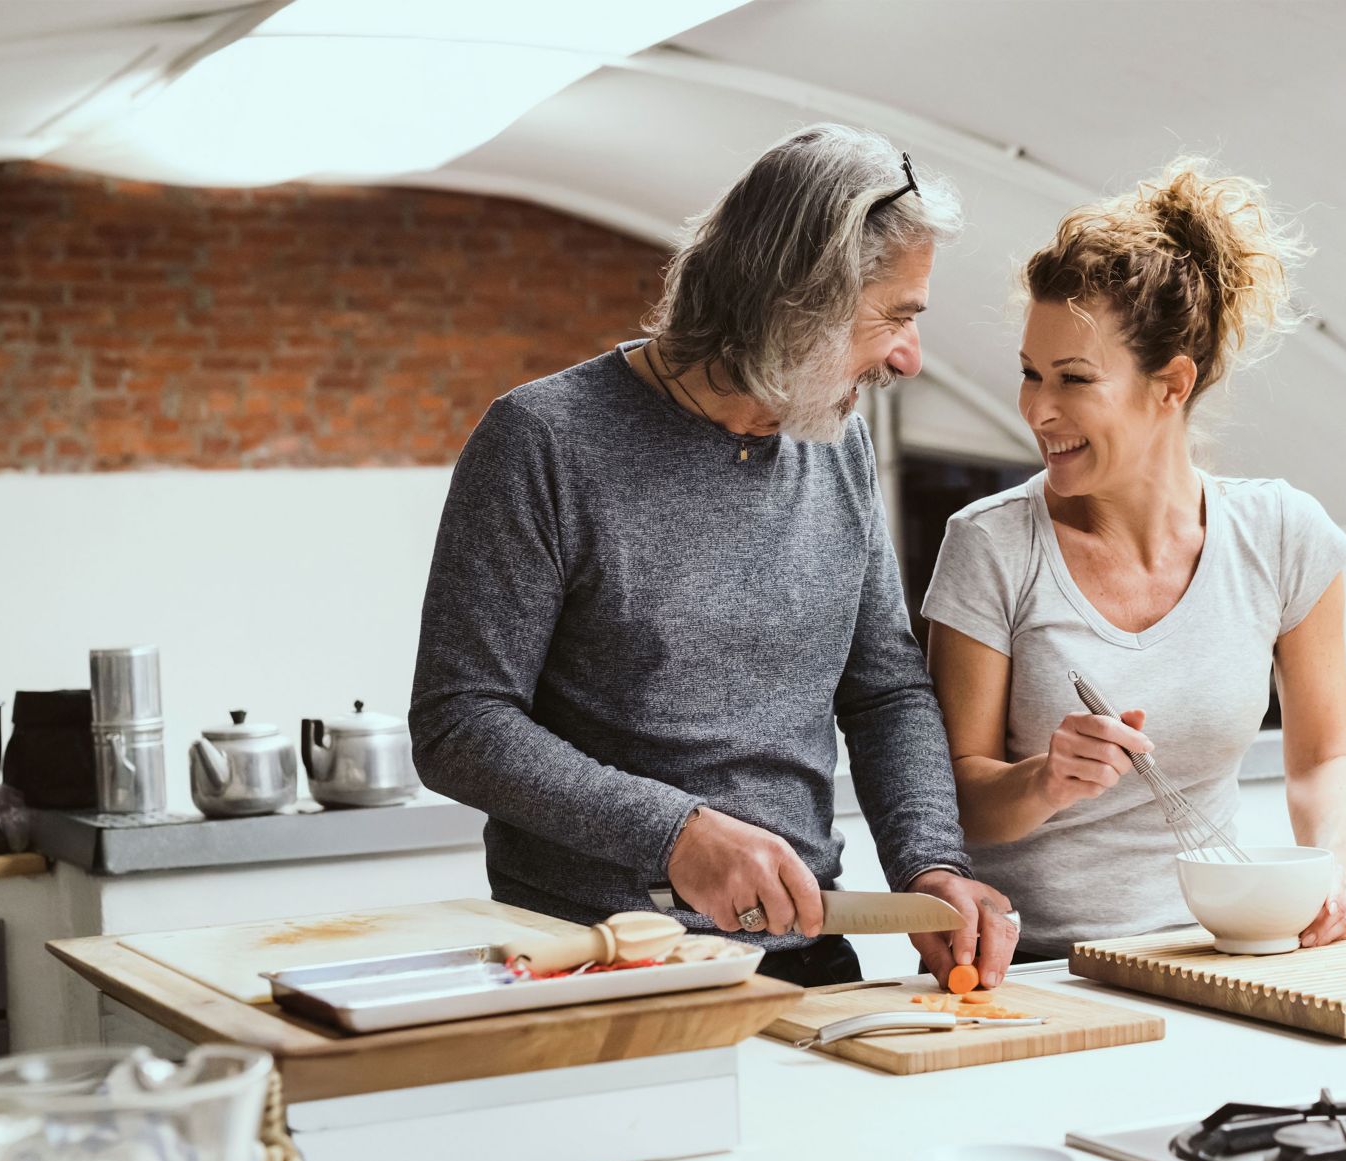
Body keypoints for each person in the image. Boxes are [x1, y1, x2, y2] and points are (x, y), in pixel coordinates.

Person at [411, 124, 1018, 989]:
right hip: (600, 969)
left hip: (806, 956)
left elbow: (883, 687)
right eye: (895, 316)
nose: (909, 357)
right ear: (795, 302)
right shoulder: (542, 441)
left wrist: (931, 865)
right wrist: (676, 832)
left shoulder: (832, 438)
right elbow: (459, 724)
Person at [922, 159, 1346, 961]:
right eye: (1029, 373)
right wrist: (1045, 778)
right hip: (1038, 971)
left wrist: (1329, 872)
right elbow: (955, 795)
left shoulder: (1284, 535)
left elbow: (1324, 757)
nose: (1036, 408)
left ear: (1171, 385)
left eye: (1073, 379)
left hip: (1219, 954)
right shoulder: (990, 544)